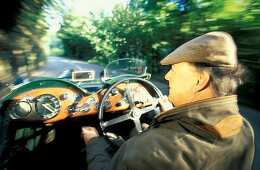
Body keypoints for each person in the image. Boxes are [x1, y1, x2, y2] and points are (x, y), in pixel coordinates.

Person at [81, 31, 255, 170]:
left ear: (199, 81)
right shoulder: (243, 128)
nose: (167, 76)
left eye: (174, 70)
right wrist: (171, 118)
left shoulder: (151, 152)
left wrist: (93, 142)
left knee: (109, 139)